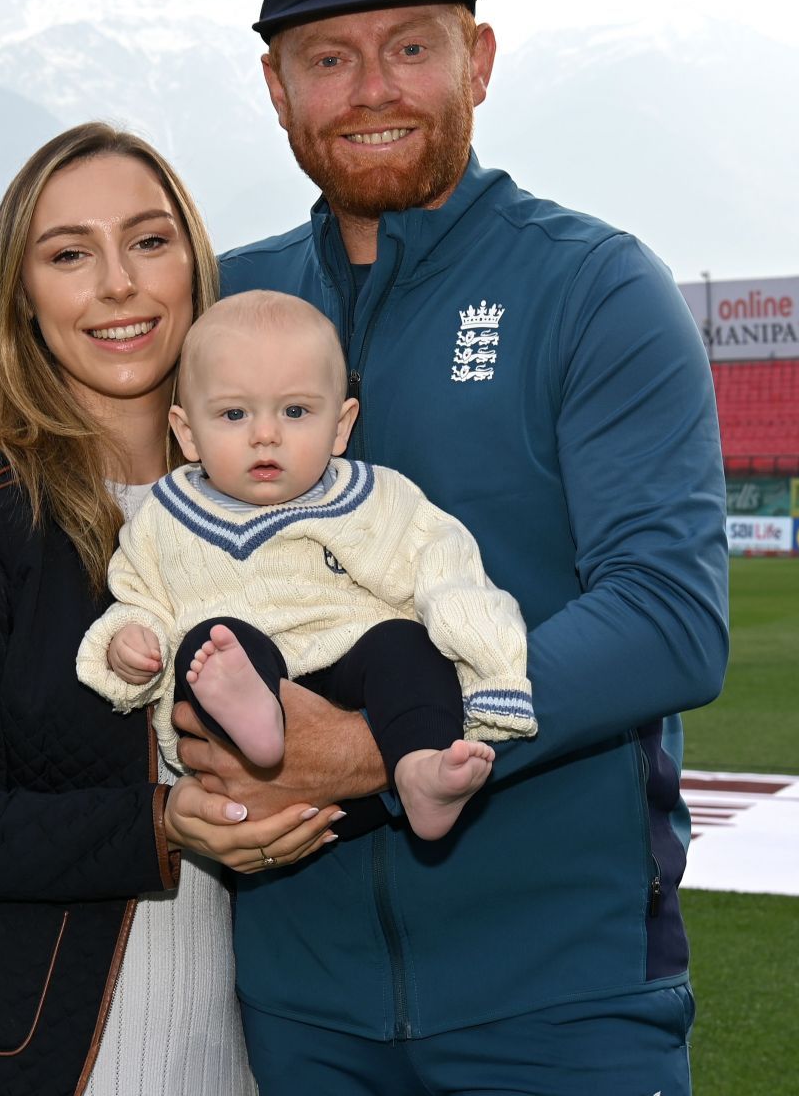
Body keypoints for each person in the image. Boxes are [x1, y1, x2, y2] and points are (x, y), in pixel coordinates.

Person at [0, 0, 728, 1095]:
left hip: (556, 996)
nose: (371, 87)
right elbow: (102, 386)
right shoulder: (240, 301)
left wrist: (383, 743)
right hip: (289, 1009)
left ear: (477, 61)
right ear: (276, 89)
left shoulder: (592, 286)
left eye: (411, 46)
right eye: (329, 58)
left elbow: (669, 619)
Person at [0, 125, 271, 1096]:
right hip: (0, 1069)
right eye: (70, 253)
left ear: (195, 269)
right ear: (24, 299)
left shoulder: (278, 514)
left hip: (232, 1065)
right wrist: (159, 826)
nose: (117, 283)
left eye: (150, 241)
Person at [80, 290, 532, 842]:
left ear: (340, 427)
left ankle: (421, 771)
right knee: (211, 642)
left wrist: (495, 672)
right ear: (187, 432)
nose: (265, 434)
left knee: (404, 644)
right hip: (236, 763)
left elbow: (450, 571)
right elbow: (139, 596)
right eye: (234, 413)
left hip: (358, 697)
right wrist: (129, 643)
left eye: (295, 412)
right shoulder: (165, 518)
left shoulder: (375, 499)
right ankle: (257, 720)